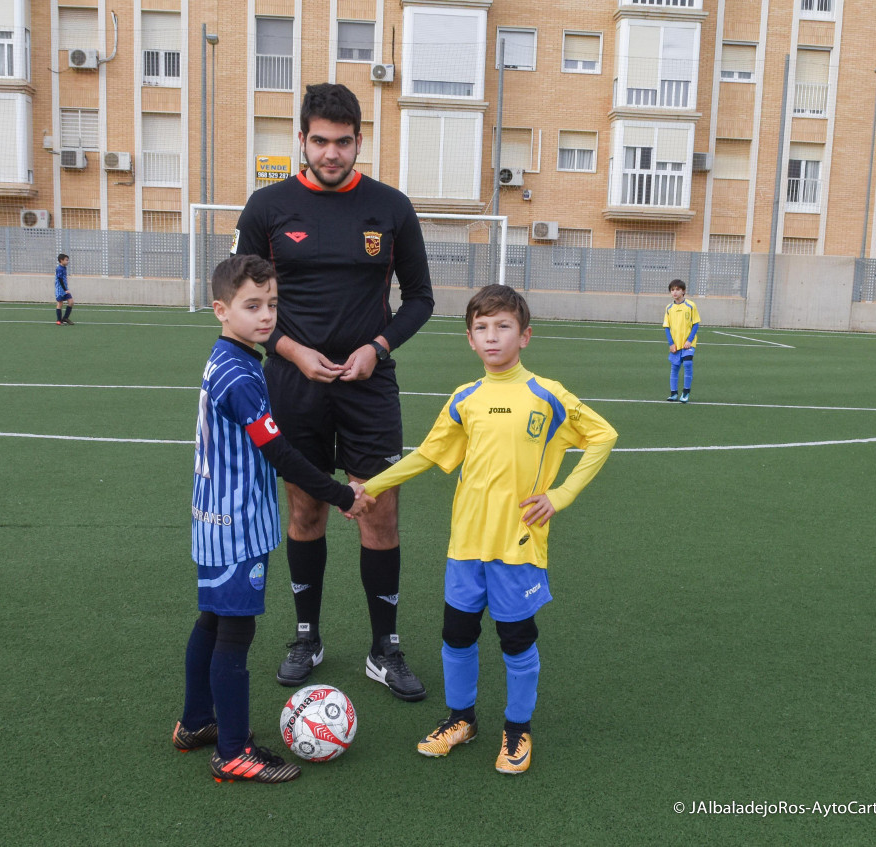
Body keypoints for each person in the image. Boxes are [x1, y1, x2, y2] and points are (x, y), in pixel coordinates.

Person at [231, 82, 434, 701]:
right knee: (306, 509)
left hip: (369, 387)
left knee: (378, 510)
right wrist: (289, 351)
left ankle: (384, 648)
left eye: (343, 142)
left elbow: (420, 298)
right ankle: (307, 635)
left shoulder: (391, 208)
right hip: (293, 383)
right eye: (319, 140)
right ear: (301, 139)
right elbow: (246, 304)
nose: (331, 153)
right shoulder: (266, 208)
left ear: (359, 141)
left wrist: (378, 349)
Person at [362, 285, 617, 775]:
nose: (492, 336)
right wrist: (370, 487)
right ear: (470, 340)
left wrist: (560, 496)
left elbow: (603, 435)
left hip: (518, 544)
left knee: (516, 638)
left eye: (503, 326)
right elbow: (427, 454)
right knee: (456, 634)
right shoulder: (465, 399)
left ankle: (517, 730)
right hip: (466, 544)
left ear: (525, 336)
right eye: (481, 328)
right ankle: (461, 720)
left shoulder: (546, 395)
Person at [173, 254, 375, 784]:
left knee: (212, 620)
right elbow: (278, 452)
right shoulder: (239, 374)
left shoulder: (230, 357)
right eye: (252, 305)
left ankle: (197, 724)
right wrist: (340, 494)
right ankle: (234, 750)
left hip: (213, 515)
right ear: (221, 308)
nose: (266, 316)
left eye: (273, 304)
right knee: (234, 633)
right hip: (235, 523)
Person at [663, 279, 700, 403]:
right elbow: (667, 327)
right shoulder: (669, 308)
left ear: (683, 291)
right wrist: (671, 343)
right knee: (675, 367)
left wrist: (689, 340)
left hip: (688, 343)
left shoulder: (690, 305)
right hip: (676, 344)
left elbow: (695, 324)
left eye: (678, 289)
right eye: (672, 290)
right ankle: (674, 393)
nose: (675, 292)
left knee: (688, 364)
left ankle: (686, 392)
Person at [54, 253, 74, 325]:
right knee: (60, 304)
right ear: (61, 260)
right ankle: (59, 320)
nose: (67, 261)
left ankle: (65, 318)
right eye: (66, 260)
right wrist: (65, 289)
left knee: (71, 302)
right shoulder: (59, 268)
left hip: (65, 289)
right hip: (60, 289)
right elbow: (60, 279)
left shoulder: (64, 268)